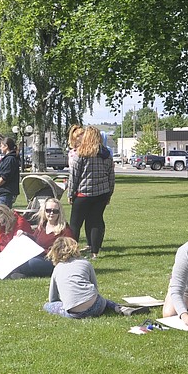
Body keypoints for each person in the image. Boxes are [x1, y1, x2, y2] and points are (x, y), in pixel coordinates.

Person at [43, 237, 143, 318]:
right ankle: (119, 308)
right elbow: (95, 287)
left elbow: (53, 298)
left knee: (47, 306)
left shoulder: (57, 269)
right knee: (104, 300)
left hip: (74, 313)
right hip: (96, 306)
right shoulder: (85, 263)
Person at [68, 126, 115, 258]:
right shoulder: (106, 154)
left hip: (83, 193)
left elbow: (74, 176)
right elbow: (111, 175)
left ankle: (72, 250)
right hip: (101, 193)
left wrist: (71, 194)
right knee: (95, 221)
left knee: (75, 223)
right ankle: (95, 252)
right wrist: (109, 193)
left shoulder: (81, 153)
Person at [0, 136, 20, 208]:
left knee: (3, 215)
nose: (0, 148)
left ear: (6, 146)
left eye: (1, 145)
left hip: (6, 193)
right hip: (5, 193)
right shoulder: (8, 158)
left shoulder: (10, 159)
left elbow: (5, 176)